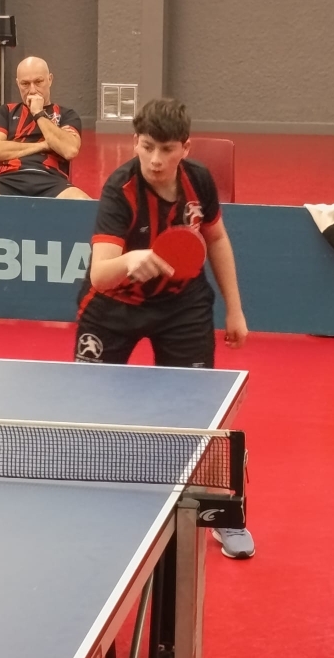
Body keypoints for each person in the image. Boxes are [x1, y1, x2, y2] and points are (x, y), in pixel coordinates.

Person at [75, 97, 254, 562]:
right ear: (135, 141)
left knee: (198, 413)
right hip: (114, 307)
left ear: (185, 148)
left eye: (167, 149)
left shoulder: (199, 181)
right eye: (147, 146)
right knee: (87, 408)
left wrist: (235, 310)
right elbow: (100, 275)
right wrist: (131, 260)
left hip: (181, 304)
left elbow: (216, 238)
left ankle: (219, 511)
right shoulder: (120, 190)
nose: (155, 159)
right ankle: (85, 496)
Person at [0, 56, 89, 199]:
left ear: (50, 79)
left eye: (38, 82)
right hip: (7, 178)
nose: (32, 90)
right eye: (25, 84)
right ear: (18, 84)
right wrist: (44, 145)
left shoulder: (67, 114)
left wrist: (38, 113)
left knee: (83, 204)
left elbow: (69, 150)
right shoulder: (6, 111)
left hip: (52, 179)